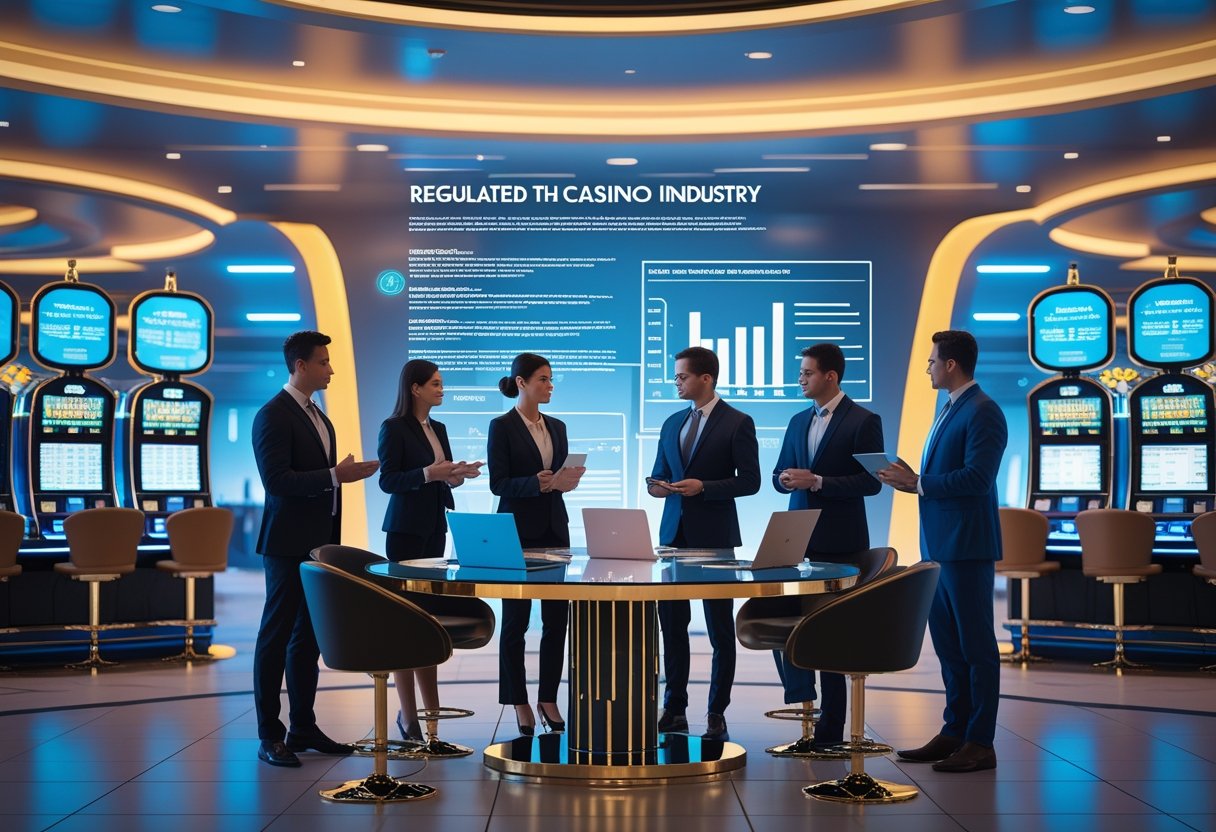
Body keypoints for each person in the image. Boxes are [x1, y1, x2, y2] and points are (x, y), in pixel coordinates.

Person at [878, 329, 1007, 774]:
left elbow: (978, 479)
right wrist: (912, 479)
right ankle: (955, 731)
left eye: (932, 361)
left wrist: (919, 482)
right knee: (950, 646)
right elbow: (945, 478)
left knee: (976, 648)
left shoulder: (984, 410)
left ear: (951, 365)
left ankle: (980, 742)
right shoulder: (951, 408)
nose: (928, 368)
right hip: (938, 545)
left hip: (967, 547)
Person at [251, 330, 379, 767]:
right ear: (300, 366)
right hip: (286, 544)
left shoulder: (319, 416)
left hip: (319, 545)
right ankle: (270, 734)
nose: (331, 369)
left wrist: (337, 478)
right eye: (323, 362)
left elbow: (322, 479)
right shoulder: (273, 414)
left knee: (307, 638)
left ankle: (303, 726)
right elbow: (277, 482)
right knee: (276, 636)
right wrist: (334, 476)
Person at [769, 342, 884, 753]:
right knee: (788, 621)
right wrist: (785, 479)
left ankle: (831, 729)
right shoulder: (798, 420)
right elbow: (779, 473)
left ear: (830, 376)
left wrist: (817, 482)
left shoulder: (864, 420)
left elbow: (872, 482)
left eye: (807, 373)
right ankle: (805, 709)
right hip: (796, 540)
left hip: (841, 543)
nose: (800, 379)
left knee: (832, 633)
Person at [647, 346, 760, 742]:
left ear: (706, 378)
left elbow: (750, 481)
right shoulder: (671, 423)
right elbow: (658, 474)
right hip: (673, 539)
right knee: (672, 629)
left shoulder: (738, 422)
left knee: (719, 632)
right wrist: (658, 487)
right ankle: (674, 709)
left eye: (682, 377)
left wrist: (705, 488)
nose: (676, 383)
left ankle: (716, 713)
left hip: (715, 542)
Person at [378, 359, 481, 742]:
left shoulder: (438, 428)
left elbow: (442, 476)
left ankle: (431, 719)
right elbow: (389, 480)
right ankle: (409, 717)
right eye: (435, 384)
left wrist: (456, 474)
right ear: (415, 388)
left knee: (428, 622)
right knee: (406, 624)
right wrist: (429, 474)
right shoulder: (394, 427)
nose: (441, 389)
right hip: (405, 532)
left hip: (436, 527)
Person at [488, 353, 585, 736]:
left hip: (554, 529)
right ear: (521, 382)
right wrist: (537, 483)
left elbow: (559, 476)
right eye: (543, 379)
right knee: (515, 621)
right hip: (515, 532)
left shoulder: (557, 427)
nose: (549, 386)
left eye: (550, 379)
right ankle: (519, 700)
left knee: (556, 620)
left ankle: (548, 698)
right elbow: (499, 483)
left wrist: (565, 481)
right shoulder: (501, 426)